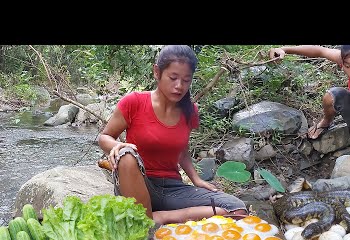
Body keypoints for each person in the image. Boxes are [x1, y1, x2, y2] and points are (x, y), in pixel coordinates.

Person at [98, 45, 248, 224]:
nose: (179, 86)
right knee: (127, 154)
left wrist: (196, 179)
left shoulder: (189, 111)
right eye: (173, 78)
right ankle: (147, 221)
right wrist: (117, 146)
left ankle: (157, 218)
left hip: (172, 188)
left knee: (237, 210)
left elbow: (182, 150)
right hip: (138, 183)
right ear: (157, 72)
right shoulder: (135, 102)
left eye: (186, 80)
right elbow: (104, 137)